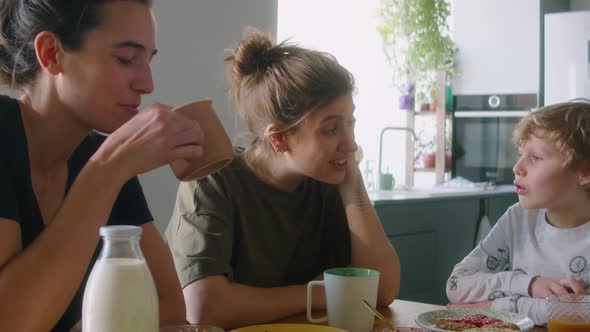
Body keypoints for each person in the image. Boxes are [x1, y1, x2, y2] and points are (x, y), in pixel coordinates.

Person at [165, 29, 400, 329]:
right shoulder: (213, 181)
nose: (350, 143)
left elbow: (381, 292)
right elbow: (203, 307)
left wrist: (353, 190)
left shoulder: (326, 180)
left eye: (350, 123)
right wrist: (321, 295)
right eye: (330, 129)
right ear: (278, 139)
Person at [0, 1, 204, 330]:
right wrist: (108, 168)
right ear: (52, 53)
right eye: (126, 59)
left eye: (149, 61)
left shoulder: (101, 156)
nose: (147, 84)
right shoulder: (106, 163)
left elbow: (168, 308)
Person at [446, 100, 590, 325]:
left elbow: (582, 313)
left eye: (535, 158)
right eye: (521, 154)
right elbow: (456, 285)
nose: (517, 168)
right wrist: (530, 284)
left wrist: (498, 307)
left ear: (585, 172)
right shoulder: (518, 219)